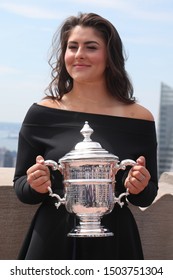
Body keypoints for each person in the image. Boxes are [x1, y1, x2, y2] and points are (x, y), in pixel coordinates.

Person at [13, 12, 158, 260]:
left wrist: (140, 185)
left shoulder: (139, 118)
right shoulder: (42, 113)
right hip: (52, 240)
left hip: (116, 242)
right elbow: (21, 188)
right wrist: (35, 184)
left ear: (109, 56)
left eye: (91, 47)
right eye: (72, 47)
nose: (79, 54)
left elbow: (148, 193)